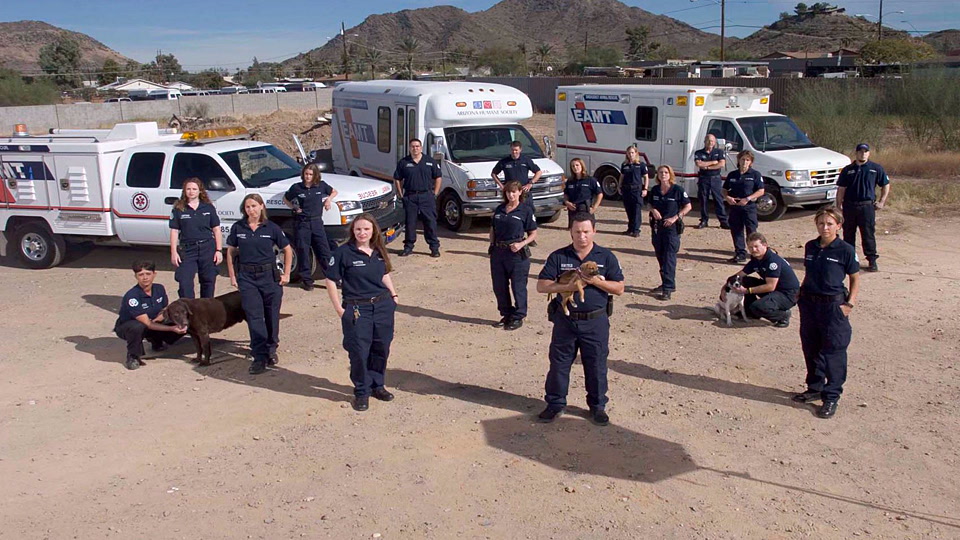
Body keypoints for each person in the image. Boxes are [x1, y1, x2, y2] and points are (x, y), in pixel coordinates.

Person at [536, 212, 625, 426]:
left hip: (595, 321)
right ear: (571, 232)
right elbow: (542, 286)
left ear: (594, 231)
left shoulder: (606, 257)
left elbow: (619, 288)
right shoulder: (559, 256)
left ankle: (597, 406)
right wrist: (568, 287)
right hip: (565, 321)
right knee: (559, 363)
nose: (581, 236)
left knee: (596, 364)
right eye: (577, 231)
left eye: (586, 231)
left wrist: (595, 282)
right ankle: (555, 404)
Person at [325, 213, 399, 412]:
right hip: (357, 309)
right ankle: (361, 392)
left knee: (381, 348)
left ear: (373, 231)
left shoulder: (378, 250)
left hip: (382, 306)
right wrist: (339, 309)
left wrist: (394, 296)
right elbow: (330, 280)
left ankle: (377, 385)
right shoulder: (343, 253)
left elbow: (384, 273)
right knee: (359, 352)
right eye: (358, 229)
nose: (362, 233)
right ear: (353, 231)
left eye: (366, 229)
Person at [794, 206, 860, 419]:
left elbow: (855, 278)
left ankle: (831, 396)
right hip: (809, 304)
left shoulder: (845, 250)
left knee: (834, 351)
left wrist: (849, 304)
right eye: (821, 223)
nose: (825, 227)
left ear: (838, 226)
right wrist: (801, 294)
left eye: (830, 224)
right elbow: (809, 273)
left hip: (833, 306)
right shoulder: (810, 246)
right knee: (811, 347)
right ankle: (815, 387)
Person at [225, 194, 293, 375]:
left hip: (269, 277)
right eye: (247, 207)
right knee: (254, 316)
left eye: (254, 206)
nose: (251, 210)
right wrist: (232, 276)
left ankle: (271, 349)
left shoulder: (272, 228)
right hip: (247, 278)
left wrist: (286, 273)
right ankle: (259, 356)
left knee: (271, 315)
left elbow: (287, 250)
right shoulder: (238, 227)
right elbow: (230, 252)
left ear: (262, 206)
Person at [114, 260, 186, 370]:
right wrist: (172, 328)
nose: (145, 278)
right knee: (138, 327)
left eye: (148, 274)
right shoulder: (132, 296)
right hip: (130, 326)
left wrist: (162, 319)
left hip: (152, 321)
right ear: (136, 276)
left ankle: (156, 341)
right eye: (141, 275)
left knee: (183, 318)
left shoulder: (159, 288)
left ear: (154, 274)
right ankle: (133, 356)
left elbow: (164, 310)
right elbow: (147, 323)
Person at [489, 181, 538, 331]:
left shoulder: (525, 210)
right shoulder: (500, 209)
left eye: (514, 192)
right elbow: (493, 229)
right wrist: (492, 245)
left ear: (519, 193)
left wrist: (522, 244)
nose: (511, 195)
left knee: (518, 286)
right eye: (508, 192)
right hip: (498, 252)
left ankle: (518, 316)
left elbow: (533, 233)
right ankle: (506, 314)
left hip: (516, 253)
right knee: (499, 286)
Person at [723, 232, 799, 328]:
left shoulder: (772, 261)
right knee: (744, 281)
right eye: (750, 247)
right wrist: (725, 288)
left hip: (787, 294)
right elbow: (738, 276)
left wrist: (747, 291)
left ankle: (783, 315)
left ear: (765, 245)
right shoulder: (756, 259)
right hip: (775, 289)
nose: (753, 250)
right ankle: (751, 312)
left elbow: (770, 286)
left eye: (756, 246)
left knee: (758, 307)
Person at [836, 142, 890, 272]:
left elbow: (885, 185)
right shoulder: (848, 170)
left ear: (869, 153)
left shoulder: (876, 168)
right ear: (856, 153)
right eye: (860, 151)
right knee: (848, 234)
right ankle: (850, 260)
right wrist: (838, 206)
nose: (863, 154)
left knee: (868, 234)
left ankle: (872, 260)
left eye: (865, 152)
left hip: (867, 206)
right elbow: (841, 189)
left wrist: (882, 201)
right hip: (849, 206)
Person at [284, 163, 338, 291]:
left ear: (315, 175)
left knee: (324, 251)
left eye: (310, 174)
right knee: (303, 251)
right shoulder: (297, 188)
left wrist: (328, 200)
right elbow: (286, 199)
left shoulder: (321, 185)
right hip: (302, 223)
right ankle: (307, 281)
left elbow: (334, 191)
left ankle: (332, 278)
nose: (308, 177)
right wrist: (294, 208)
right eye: (306, 174)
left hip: (317, 222)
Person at [169, 177, 222, 299]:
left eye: (194, 189)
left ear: (200, 191)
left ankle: (206, 308)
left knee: (208, 281)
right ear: (184, 191)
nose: (191, 191)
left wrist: (218, 250)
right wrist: (173, 252)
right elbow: (174, 231)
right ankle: (189, 308)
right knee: (185, 282)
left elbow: (216, 229)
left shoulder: (208, 207)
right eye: (188, 189)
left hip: (207, 248)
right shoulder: (179, 208)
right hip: (188, 250)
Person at [648, 165, 693, 301]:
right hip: (657, 228)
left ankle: (667, 289)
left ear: (670, 174)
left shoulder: (677, 190)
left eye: (666, 172)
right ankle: (666, 282)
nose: (663, 174)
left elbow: (688, 206)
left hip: (671, 229)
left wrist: (675, 218)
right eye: (661, 172)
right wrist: (653, 210)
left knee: (669, 258)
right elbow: (649, 203)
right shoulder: (655, 190)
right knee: (660, 256)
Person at [394, 139, 441, 258]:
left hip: (427, 196)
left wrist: (435, 193)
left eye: (417, 146)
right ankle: (408, 247)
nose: (415, 148)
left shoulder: (430, 161)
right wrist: (400, 194)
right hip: (410, 196)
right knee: (410, 223)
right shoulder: (404, 162)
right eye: (413, 146)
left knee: (430, 223)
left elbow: (438, 177)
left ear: (421, 147)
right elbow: (397, 178)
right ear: (409, 148)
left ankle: (434, 248)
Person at [722, 150, 765, 263]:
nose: (744, 162)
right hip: (735, 207)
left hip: (749, 207)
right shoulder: (732, 175)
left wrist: (748, 198)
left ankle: (755, 256)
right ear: (738, 160)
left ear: (751, 162)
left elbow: (761, 191)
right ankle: (740, 254)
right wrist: (727, 197)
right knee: (736, 231)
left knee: (751, 231)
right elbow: (724, 189)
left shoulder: (755, 175)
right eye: (742, 159)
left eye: (747, 160)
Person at [492, 140, 542, 210]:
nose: (514, 152)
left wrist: (530, 183)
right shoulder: (504, 161)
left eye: (516, 150)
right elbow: (493, 174)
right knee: (511, 210)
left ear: (520, 150)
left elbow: (538, 172)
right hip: (511, 194)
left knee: (528, 211)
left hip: (524, 192)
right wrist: (502, 186)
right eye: (512, 150)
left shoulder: (526, 160)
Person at [694, 134, 728, 230]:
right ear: (704, 141)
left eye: (712, 141)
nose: (710, 143)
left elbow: (721, 164)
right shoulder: (698, 152)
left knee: (718, 200)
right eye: (708, 140)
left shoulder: (719, 152)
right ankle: (704, 220)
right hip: (703, 178)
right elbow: (699, 164)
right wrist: (713, 162)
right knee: (703, 200)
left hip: (715, 178)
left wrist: (707, 167)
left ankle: (723, 221)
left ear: (715, 142)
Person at [562, 158, 602, 227]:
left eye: (577, 165)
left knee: (587, 229)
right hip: (573, 210)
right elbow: (566, 194)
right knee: (574, 231)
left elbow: (600, 194)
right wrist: (567, 202)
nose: (575, 167)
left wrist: (594, 207)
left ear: (582, 166)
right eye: (573, 166)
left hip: (585, 209)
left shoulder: (590, 180)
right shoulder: (570, 181)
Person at [619, 146, 649, 237]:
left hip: (636, 190)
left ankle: (636, 230)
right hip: (626, 190)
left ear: (636, 153)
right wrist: (619, 186)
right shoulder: (624, 165)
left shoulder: (641, 165)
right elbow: (622, 176)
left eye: (632, 152)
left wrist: (645, 189)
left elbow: (646, 177)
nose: (630, 154)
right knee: (629, 210)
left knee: (636, 210)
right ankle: (630, 229)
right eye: (629, 153)